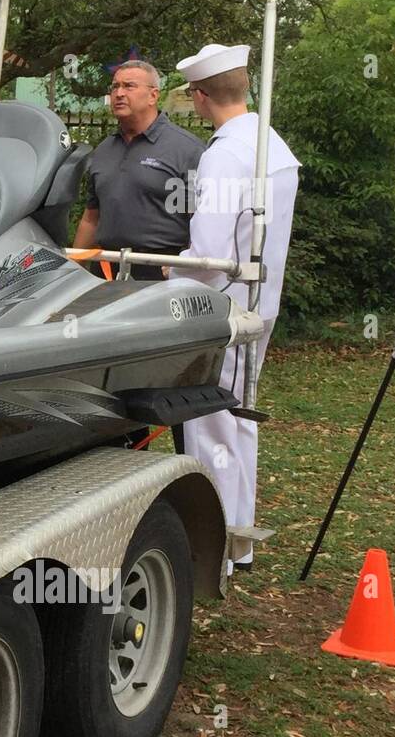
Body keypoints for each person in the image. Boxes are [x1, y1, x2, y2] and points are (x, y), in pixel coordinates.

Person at [169, 42, 300, 573]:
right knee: (240, 418)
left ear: (201, 97)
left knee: (213, 426)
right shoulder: (270, 145)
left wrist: (166, 269)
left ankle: (214, 550)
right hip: (260, 303)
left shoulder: (224, 153)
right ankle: (238, 542)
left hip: (223, 308)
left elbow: (210, 255)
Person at [72, 61, 205, 279]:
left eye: (129, 86)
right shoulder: (104, 150)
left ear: (153, 95)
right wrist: (74, 269)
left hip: (160, 271)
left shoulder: (186, 150)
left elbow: (200, 222)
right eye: (115, 87)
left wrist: (186, 273)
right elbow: (91, 218)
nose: (119, 94)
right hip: (106, 271)